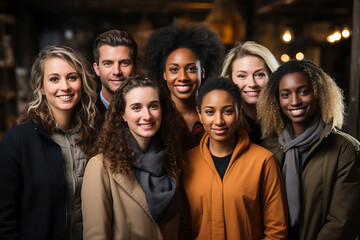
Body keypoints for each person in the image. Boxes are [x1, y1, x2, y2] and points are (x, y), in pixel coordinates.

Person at [0, 45, 98, 240]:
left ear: (82, 82)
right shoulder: (18, 141)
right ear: (42, 88)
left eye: (72, 77)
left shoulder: (96, 136)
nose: (65, 87)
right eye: (54, 79)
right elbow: (4, 220)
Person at [257, 59, 360, 240]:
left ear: (319, 94)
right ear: (276, 99)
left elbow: (342, 222)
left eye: (304, 92)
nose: (295, 101)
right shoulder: (267, 147)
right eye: (285, 94)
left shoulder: (345, 149)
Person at [180, 77, 288, 239]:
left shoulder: (263, 162)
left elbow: (277, 230)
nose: (219, 121)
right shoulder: (186, 162)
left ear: (239, 112)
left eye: (228, 111)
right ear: (200, 114)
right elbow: (183, 228)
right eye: (210, 112)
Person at [82, 74, 183, 239]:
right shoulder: (100, 167)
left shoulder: (172, 162)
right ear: (123, 114)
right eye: (136, 107)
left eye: (153, 106)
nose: (147, 116)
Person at [142, 21, 224, 150]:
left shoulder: (218, 117)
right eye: (174, 70)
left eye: (191, 69)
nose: (183, 77)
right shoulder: (153, 117)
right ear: (164, 74)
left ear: (202, 72)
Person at [221, 41, 279, 144]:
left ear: (272, 76)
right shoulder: (220, 123)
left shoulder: (286, 118)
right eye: (242, 76)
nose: (252, 84)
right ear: (229, 79)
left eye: (259, 75)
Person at [93, 29, 138, 114]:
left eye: (124, 63)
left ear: (136, 67)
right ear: (97, 69)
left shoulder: (148, 112)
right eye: (108, 63)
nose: (116, 72)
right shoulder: (83, 114)